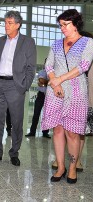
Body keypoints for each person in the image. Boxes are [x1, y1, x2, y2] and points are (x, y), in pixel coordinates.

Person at [41, 9, 93, 184]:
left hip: (76, 91)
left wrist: (59, 80)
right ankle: (61, 166)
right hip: (55, 91)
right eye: (60, 25)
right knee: (57, 129)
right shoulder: (56, 44)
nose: (62, 28)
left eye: (65, 24)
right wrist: (54, 81)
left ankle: (72, 168)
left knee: (72, 133)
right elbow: (48, 64)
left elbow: (83, 66)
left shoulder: (88, 42)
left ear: (75, 23)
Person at [0, 10, 36, 166]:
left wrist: (24, 86)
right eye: (5, 22)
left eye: (9, 23)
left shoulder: (27, 42)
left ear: (18, 25)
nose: (6, 26)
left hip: (15, 86)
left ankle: (14, 153)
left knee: (16, 121)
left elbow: (31, 67)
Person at [51, 31, 93, 173]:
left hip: (83, 94)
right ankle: (61, 160)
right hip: (68, 91)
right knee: (60, 129)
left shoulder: (88, 48)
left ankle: (76, 162)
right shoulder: (61, 47)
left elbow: (84, 68)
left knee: (78, 131)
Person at [26, 61, 50, 138]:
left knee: (47, 115)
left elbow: (43, 82)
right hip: (41, 95)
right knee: (36, 113)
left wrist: (45, 82)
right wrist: (50, 82)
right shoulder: (42, 72)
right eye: (46, 62)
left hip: (49, 96)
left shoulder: (54, 73)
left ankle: (45, 132)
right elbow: (41, 81)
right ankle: (32, 132)